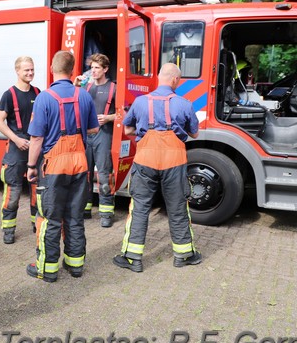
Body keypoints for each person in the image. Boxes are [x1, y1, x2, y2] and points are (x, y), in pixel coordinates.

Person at [113, 63, 201, 273]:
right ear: (175, 81)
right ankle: (184, 255)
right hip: (174, 162)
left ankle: (133, 257)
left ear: (160, 77)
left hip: (145, 160)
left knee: (140, 207)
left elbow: (127, 129)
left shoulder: (141, 101)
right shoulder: (184, 104)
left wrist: (144, 131)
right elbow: (195, 134)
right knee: (178, 207)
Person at [26, 51, 99, 282]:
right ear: (73, 69)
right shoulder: (84, 95)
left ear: (51, 68)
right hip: (80, 162)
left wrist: (30, 165)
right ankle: (75, 264)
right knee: (75, 215)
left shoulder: (44, 98)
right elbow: (94, 129)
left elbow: (36, 138)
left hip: (54, 165)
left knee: (50, 217)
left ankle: (47, 269)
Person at [0, 56, 40, 244]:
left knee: (37, 190)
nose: (30, 73)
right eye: (26, 70)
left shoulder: (38, 92)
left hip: (35, 148)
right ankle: (8, 228)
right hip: (16, 149)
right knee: (13, 192)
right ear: (17, 71)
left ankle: (35, 223)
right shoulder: (9, 94)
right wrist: (16, 139)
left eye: (32, 70)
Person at [75, 53, 116, 227]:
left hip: (104, 134)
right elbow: (72, 102)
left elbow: (125, 113)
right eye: (92, 67)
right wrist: (75, 86)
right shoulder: (86, 86)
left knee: (104, 174)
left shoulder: (114, 87)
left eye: (97, 68)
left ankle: (106, 212)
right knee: (85, 172)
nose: (93, 71)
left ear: (105, 69)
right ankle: (85, 208)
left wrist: (109, 118)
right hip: (86, 134)